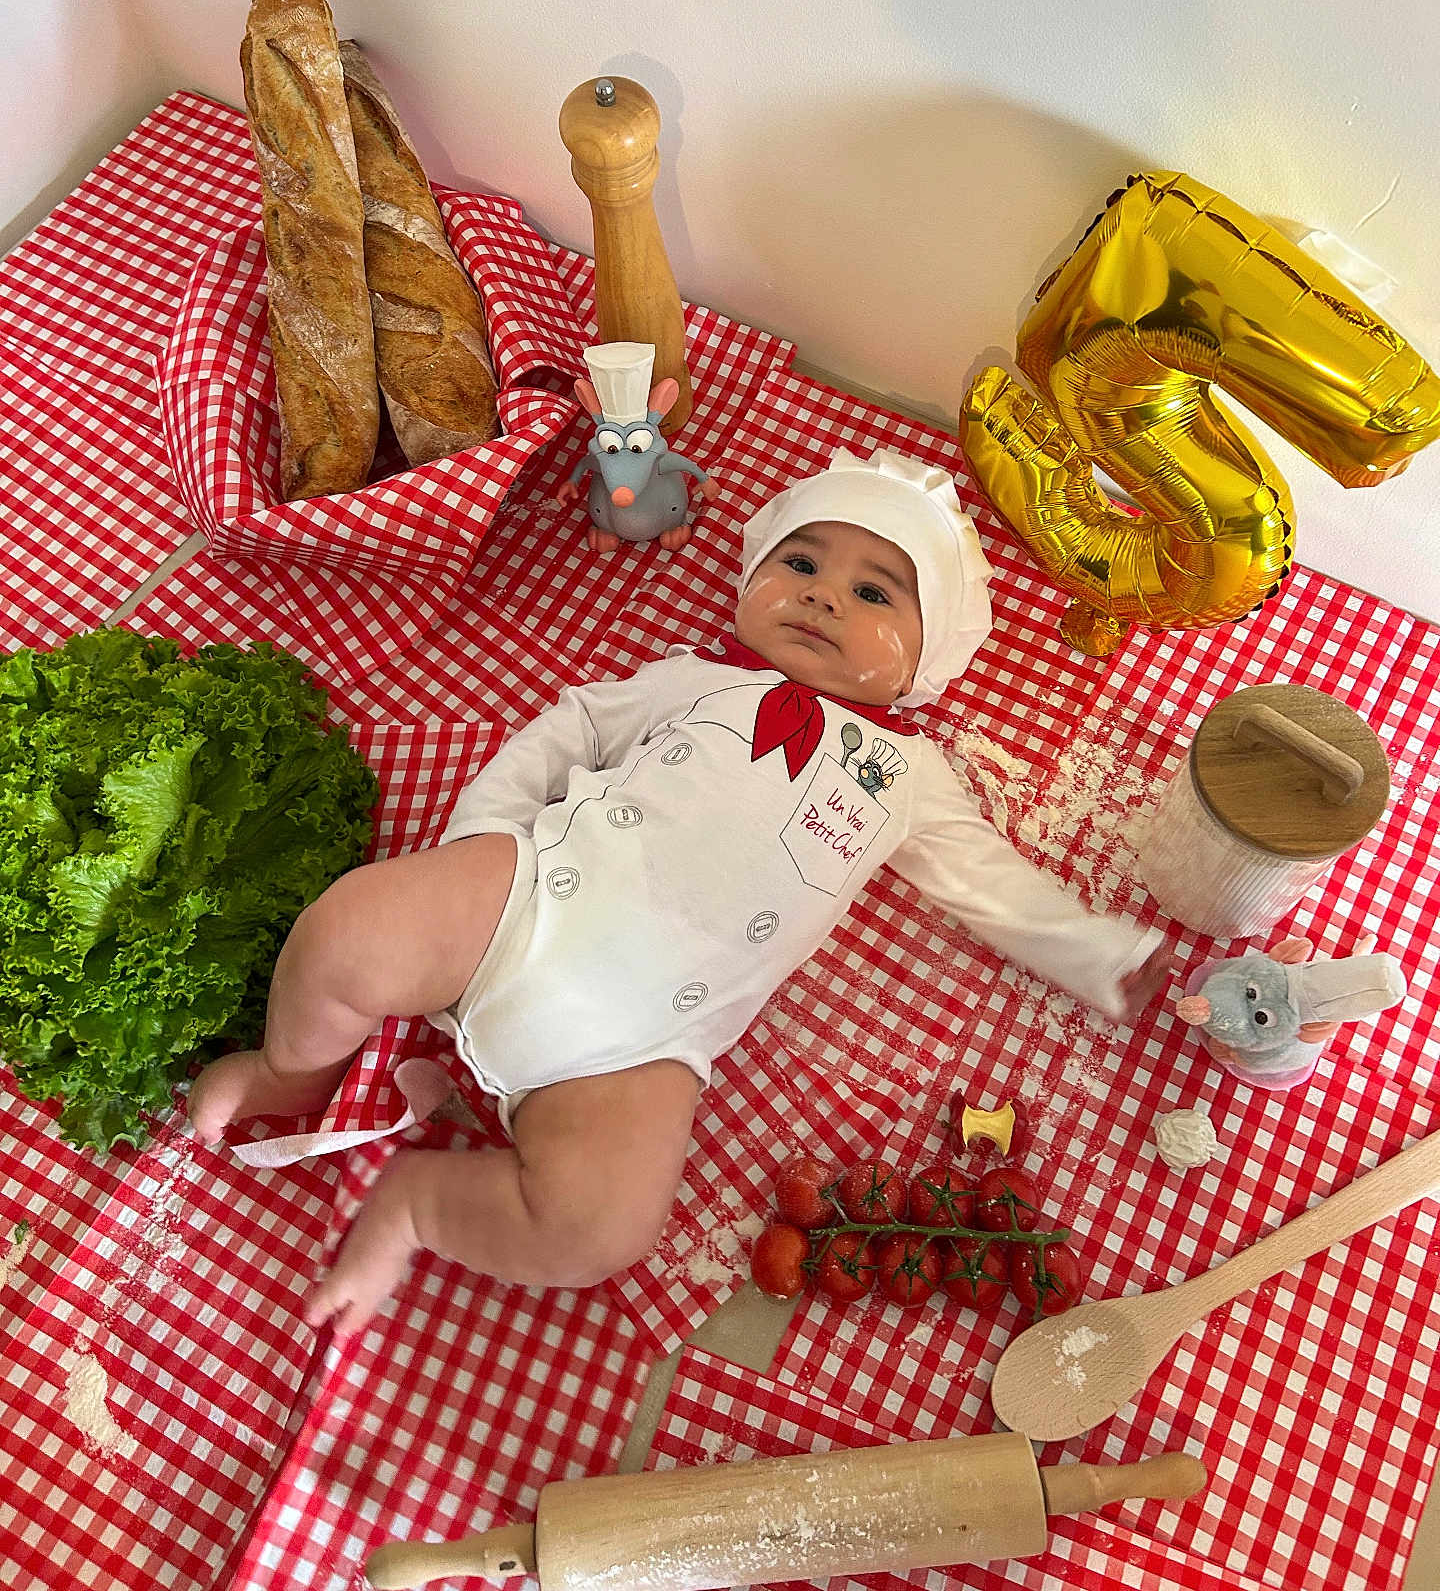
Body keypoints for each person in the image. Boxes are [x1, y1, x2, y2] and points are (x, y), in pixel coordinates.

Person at [189, 448, 1170, 1340]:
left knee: (599, 1227)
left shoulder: (909, 778)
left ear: (928, 660)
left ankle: (416, 1207)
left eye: (873, 591)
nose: (822, 594)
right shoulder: (693, 681)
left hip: (646, 1036)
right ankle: (293, 1072)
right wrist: (489, 832)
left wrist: (1102, 952)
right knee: (344, 934)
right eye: (800, 563)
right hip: (530, 896)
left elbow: (989, 882)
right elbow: (572, 729)